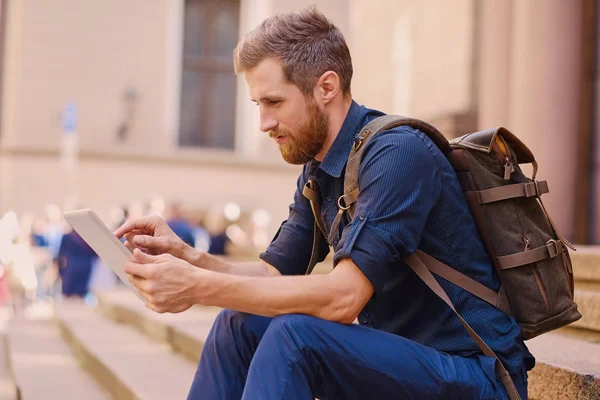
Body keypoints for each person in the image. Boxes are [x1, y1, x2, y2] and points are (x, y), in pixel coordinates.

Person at [115, 7, 532, 400]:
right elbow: (270, 273)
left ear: (326, 87)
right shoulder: (319, 167)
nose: (263, 123)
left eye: (275, 103)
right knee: (238, 322)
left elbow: (343, 297)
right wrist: (189, 259)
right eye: (258, 105)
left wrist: (198, 288)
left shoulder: (398, 154)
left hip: (477, 377)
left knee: (294, 338)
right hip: (402, 362)